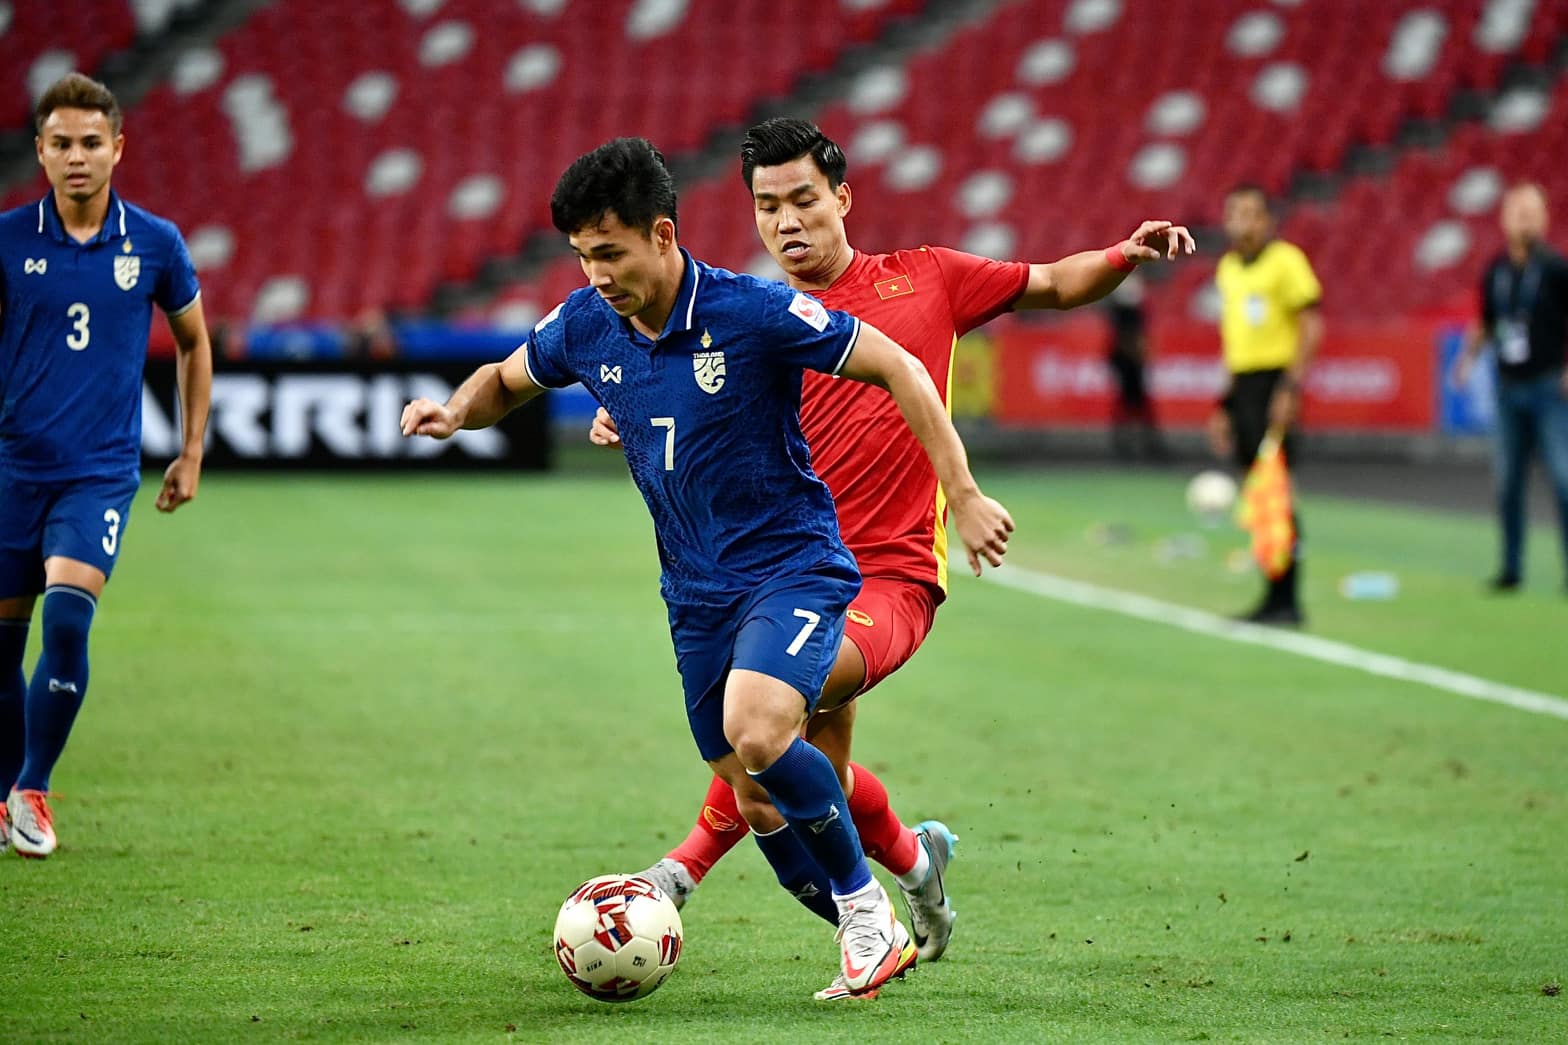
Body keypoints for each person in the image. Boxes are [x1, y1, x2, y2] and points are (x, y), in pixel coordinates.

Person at [400, 137, 1015, 999]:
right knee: (758, 795)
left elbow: (898, 364)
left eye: (611, 253)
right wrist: (453, 412)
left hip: (794, 566)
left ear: (662, 234)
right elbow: (505, 380)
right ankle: (904, 874)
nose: (597, 274)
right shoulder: (585, 322)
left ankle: (866, 912)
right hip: (695, 594)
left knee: (760, 728)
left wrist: (965, 491)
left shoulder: (752, 311)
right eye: (582, 256)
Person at [591, 118, 1191, 998]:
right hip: (784, 573)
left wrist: (1121, 255)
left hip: (888, 578)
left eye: (803, 198)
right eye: (767, 205)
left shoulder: (928, 277)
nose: (787, 221)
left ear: (842, 196)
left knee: (765, 721)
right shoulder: (748, 320)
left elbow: (1055, 282)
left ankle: (690, 869)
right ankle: (914, 863)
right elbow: (674, 394)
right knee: (800, 779)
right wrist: (630, 409)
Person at [0, 73, 212, 858]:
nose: (77, 156)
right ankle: (3, 792)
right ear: (41, 152)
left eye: (91, 142)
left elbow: (193, 342)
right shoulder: (7, 239)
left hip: (98, 473)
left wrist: (190, 449)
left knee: (66, 615)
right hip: (13, 467)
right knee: (3, 649)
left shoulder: (154, 242)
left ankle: (33, 787)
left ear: (118, 148)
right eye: (62, 143)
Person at [1208, 184, 1322, 625]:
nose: (1243, 221)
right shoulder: (1228, 269)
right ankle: (1272, 594)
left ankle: (1288, 598)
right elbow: (1233, 340)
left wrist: (1290, 388)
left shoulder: (1286, 261)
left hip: (1274, 382)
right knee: (1257, 494)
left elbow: (1310, 325)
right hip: (1243, 386)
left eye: (1251, 213)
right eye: (1235, 212)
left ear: (1267, 221)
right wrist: (1223, 405)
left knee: (1278, 492)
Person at [1454, 182, 1568, 592]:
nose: (1525, 220)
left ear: (1545, 219)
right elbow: (1486, 321)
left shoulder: (1555, 269)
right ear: (1504, 219)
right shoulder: (1496, 271)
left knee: (1564, 479)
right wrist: (1466, 359)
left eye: (1532, 212)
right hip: (1507, 389)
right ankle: (1511, 569)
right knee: (1507, 484)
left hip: (1549, 388)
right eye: (1519, 212)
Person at [1104, 273, 1166, 461]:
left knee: (1133, 404)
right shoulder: (1124, 316)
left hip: (1128, 362)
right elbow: (1128, 341)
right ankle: (1135, 444)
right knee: (1132, 403)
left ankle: (1136, 444)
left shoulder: (1123, 314)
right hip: (1127, 363)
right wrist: (1137, 354)